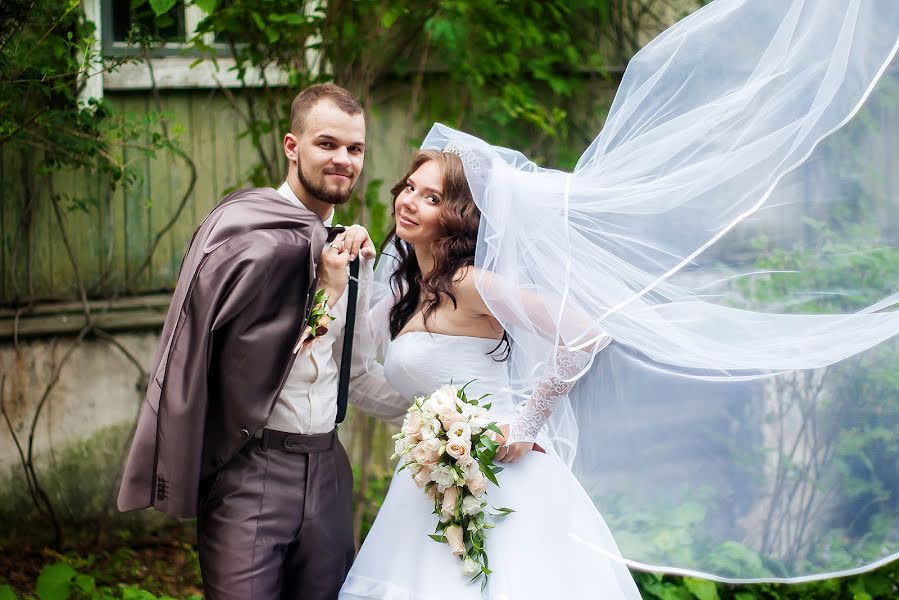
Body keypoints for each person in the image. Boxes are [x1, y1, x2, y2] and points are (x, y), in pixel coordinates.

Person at [117, 83, 406, 600]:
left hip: (328, 473)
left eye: (355, 149)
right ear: (292, 147)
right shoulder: (242, 234)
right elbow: (231, 366)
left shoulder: (351, 252)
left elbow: (355, 374)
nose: (343, 159)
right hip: (250, 472)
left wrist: (447, 423)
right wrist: (325, 291)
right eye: (327, 144)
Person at [338, 150, 643, 599]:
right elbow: (349, 357)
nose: (409, 201)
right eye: (409, 188)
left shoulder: (468, 282)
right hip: (431, 484)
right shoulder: (406, 293)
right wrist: (356, 267)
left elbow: (583, 335)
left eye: (431, 197)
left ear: (457, 215)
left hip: (499, 475)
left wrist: (525, 423)